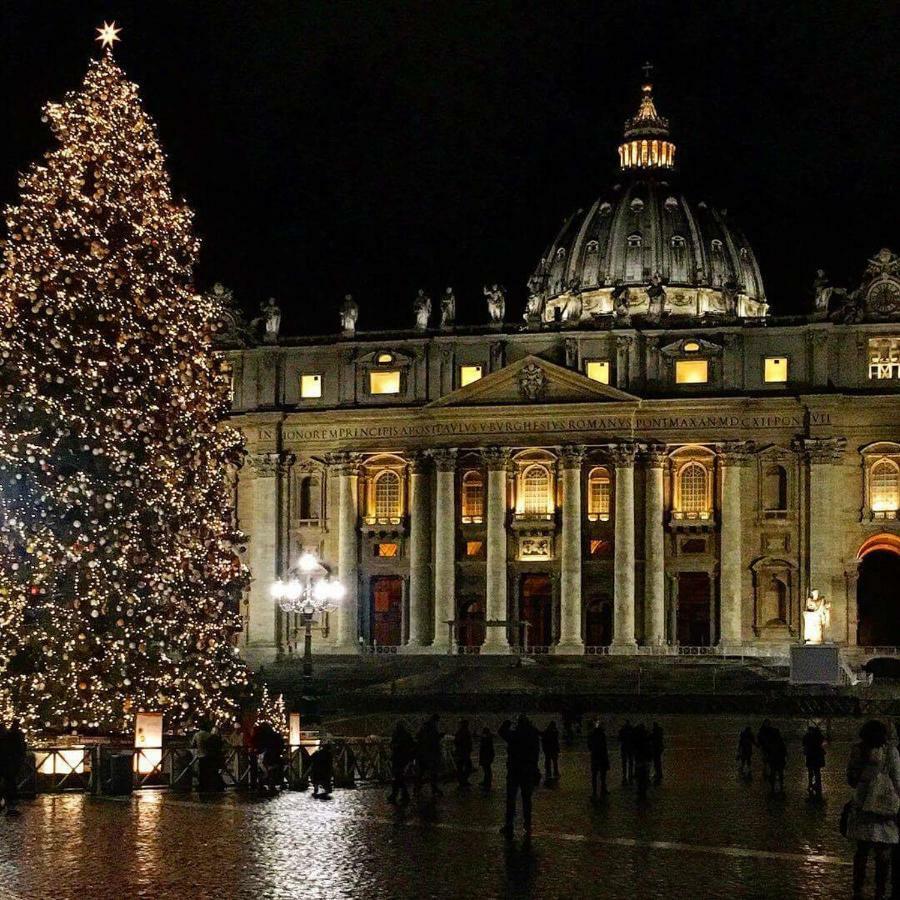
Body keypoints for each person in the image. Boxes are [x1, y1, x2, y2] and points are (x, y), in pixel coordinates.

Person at [846, 719, 900, 900]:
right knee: (883, 853)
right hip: (884, 806)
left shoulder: (858, 750)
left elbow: (851, 780)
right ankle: (880, 890)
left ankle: (858, 887)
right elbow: (897, 780)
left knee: (861, 851)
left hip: (862, 804)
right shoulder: (890, 752)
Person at [499, 715, 541, 840]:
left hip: (514, 769)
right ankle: (527, 824)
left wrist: (507, 722)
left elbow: (501, 732)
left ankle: (509, 824)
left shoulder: (515, 735)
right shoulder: (532, 735)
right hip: (527, 770)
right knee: (527, 799)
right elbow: (536, 753)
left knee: (511, 798)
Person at [388, 721, 415, 805]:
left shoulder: (398, 735)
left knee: (397, 776)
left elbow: (392, 744)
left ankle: (396, 794)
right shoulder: (406, 735)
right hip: (402, 758)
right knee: (399, 776)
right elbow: (412, 744)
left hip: (399, 758)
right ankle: (401, 794)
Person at [415, 714, 443, 798]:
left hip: (422, 754)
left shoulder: (424, 728)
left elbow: (418, 737)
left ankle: (417, 787)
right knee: (433, 772)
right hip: (430, 754)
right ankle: (434, 788)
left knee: (421, 772)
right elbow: (433, 741)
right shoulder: (432, 729)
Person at [1, 721, 26, 815]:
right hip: (10, 764)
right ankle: (11, 806)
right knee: (10, 784)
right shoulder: (14, 737)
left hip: (7, 763)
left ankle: (9, 805)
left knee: (8, 784)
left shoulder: (8, 737)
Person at [802, 721, 827, 799]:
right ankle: (818, 784)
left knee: (810, 770)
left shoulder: (807, 736)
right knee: (817, 771)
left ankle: (810, 784)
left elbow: (804, 743)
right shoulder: (819, 736)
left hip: (810, 755)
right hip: (817, 755)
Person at [587, 720, 610, 800]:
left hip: (595, 756)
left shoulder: (592, 735)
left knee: (594, 775)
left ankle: (594, 792)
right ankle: (603, 789)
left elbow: (589, 746)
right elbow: (604, 747)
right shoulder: (602, 735)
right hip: (602, 757)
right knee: (603, 775)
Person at [191, 719, 214, 791]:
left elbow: (193, 744)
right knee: (207, 771)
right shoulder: (209, 735)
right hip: (208, 755)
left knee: (201, 771)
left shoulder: (197, 735)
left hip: (200, 755)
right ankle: (207, 784)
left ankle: (201, 785)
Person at [633, 724, 652, 800]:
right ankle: (643, 791)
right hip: (644, 760)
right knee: (644, 776)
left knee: (640, 777)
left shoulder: (637, 740)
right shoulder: (646, 740)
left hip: (640, 760)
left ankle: (640, 790)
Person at [454, 720, 474, 788]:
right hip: (463, 753)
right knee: (466, 767)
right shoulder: (464, 732)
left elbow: (456, 742)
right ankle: (463, 780)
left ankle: (462, 781)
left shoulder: (460, 732)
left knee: (461, 767)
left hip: (461, 752)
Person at [768, 727, 787, 796]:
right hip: (779, 760)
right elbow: (784, 751)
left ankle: (773, 788)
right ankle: (780, 787)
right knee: (780, 774)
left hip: (773, 760)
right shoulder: (781, 741)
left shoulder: (771, 741)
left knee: (773, 774)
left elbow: (768, 750)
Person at [618, 720, 634, 784]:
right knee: (630, 763)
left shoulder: (622, 730)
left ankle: (624, 777)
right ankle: (630, 776)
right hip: (630, 748)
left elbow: (619, 739)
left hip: (624, 748)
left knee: (624, 763)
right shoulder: (632, 730)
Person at [479, 727, 495, 791]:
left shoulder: (486, 739)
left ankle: (487, 784)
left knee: (487, 770)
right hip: (487, 756)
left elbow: (484, 747)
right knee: (487, 769)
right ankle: (486, 782)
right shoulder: (488, 738)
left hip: (486, 756)